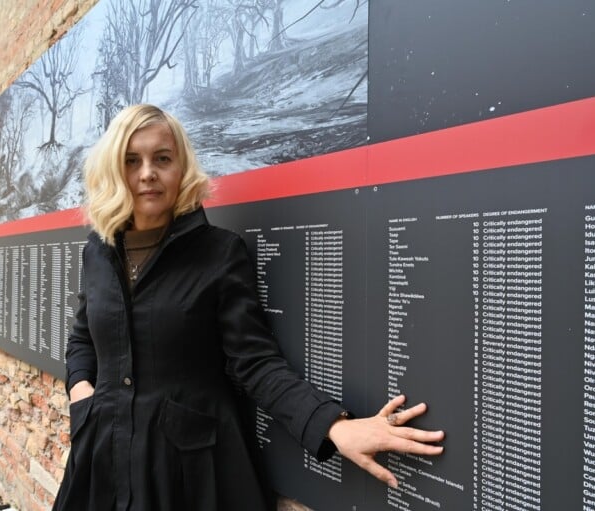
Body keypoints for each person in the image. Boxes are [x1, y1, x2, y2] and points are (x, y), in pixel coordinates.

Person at [52, 104, 444, 510]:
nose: (147, 172)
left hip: (186, 471)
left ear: (181, 168)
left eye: (162, 158)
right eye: (132, 160)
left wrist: (333, 427)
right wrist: (83, 393)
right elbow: (84, 335)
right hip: (103, 455)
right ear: (115, 169)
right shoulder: (97, 251)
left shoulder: (218, 252)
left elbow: (254, 362)